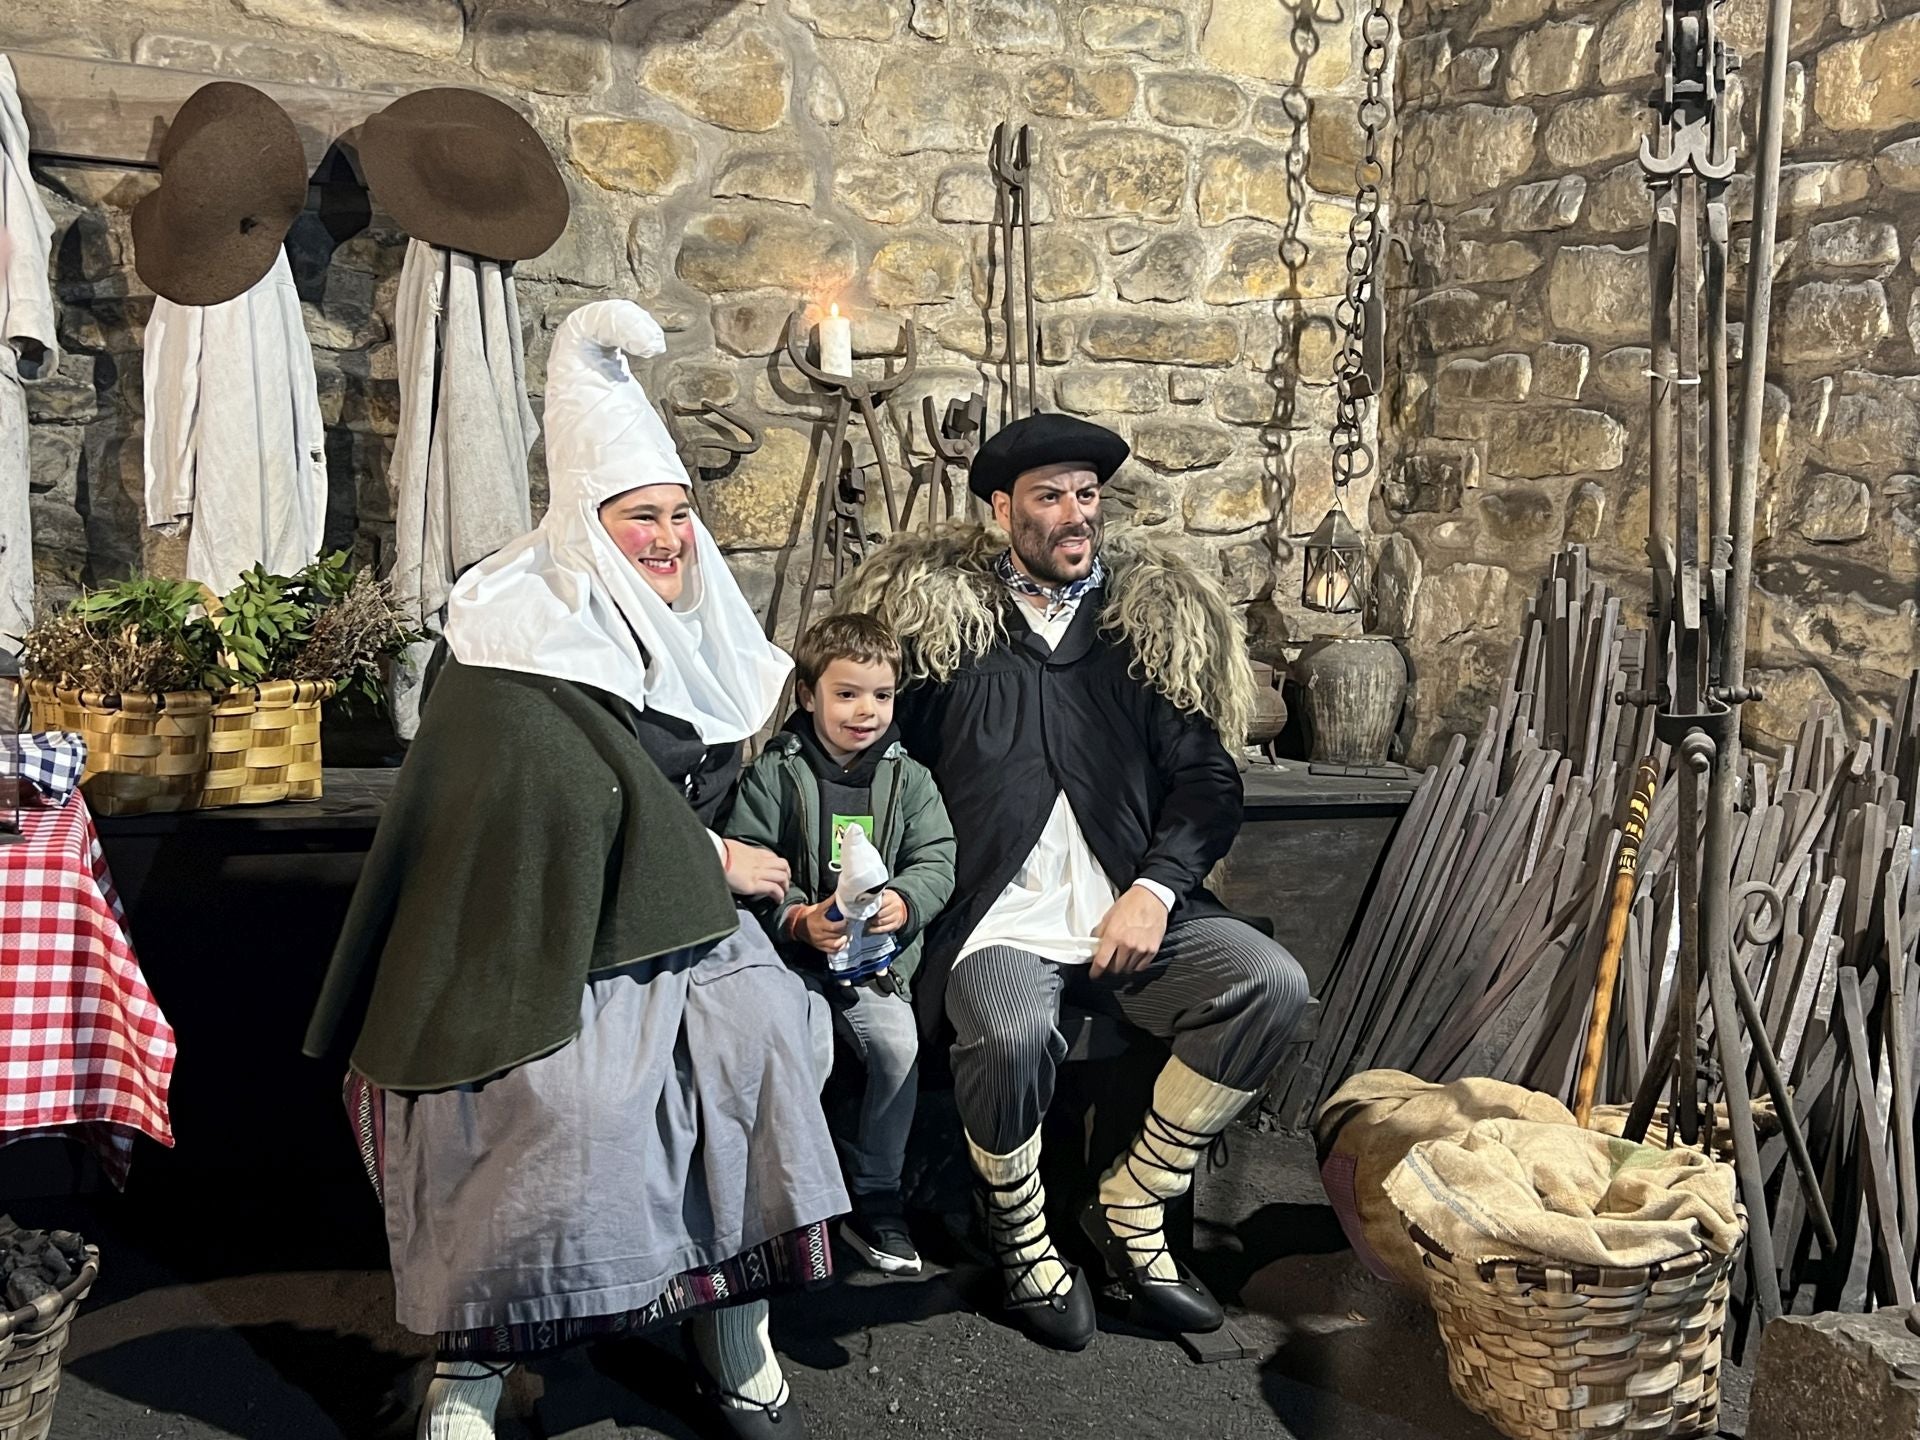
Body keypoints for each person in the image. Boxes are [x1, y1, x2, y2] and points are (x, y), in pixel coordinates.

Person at [304, 299, 847, 1440]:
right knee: (567, 1100)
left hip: (676, 921)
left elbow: (680, 788)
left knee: (769, 1046)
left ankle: (726, 1301)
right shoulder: (513, 642)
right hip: (531, 936)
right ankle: (481, 1351)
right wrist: (711, 858)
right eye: (641, 517)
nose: (668, 538)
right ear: (587, 528)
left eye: (681, 516)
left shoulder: (686, 628)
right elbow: (538, 811)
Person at [839, 412, 1311, 1352]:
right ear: (1002, 509)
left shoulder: (1141, 629)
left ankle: (1130, 1210)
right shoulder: (943, 632)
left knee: (1269, 983)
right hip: (997, 921)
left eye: (1085, 498)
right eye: (1049, 498)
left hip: (1126, 910)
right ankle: (1020, 1229)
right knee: (1012, 1030)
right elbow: (872, 756)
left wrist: (1160, 887)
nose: (1073, 517)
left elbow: (1208, 776)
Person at [725, 612, 956, 1279]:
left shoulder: (908, 778)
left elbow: (937, 854)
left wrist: (906, 901)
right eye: (847, 694)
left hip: (872, 966)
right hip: (793, 964)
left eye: (881, 696)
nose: (866, 712)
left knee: (897, 1048)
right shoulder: (776, 773)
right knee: (807, 1051)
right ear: (808, 695)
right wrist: (796, 918)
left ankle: (875, 1191)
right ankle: (790, 1197)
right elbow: (752, 861)